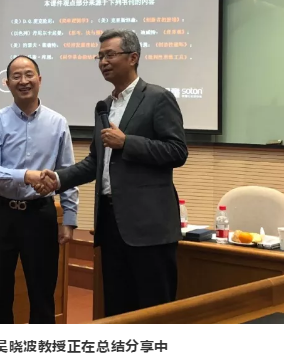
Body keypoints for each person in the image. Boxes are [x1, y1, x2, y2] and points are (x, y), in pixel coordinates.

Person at [38, 29, 188, 317]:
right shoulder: (104, 106)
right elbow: (96, 162)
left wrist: (127, 142)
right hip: (111, 224)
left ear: (133, 58)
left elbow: (177, 151)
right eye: (100, 56)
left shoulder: (158, 97)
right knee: (118, 311)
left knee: (154, 312)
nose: (103, 62)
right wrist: (58, 179)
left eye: (110, 55)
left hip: (149, 228)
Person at [0, 55, 78, 324]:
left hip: (40, 215)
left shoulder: (57, 123)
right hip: (1, 215)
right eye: (17, 76)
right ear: (7, 83)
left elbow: (67, 173)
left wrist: (69, 219)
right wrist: (25, 175)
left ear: (39, 80)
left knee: (43, 296)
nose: (24, 81)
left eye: (29, 74)